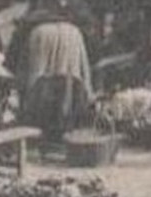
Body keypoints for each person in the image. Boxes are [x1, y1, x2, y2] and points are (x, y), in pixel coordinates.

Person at [8, 14, 94, 143]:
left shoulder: (36, 33)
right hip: (68, 84)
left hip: (42, 87)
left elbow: (25, 73)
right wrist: (89, 93)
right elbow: (84, 71)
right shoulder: (75, 32)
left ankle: (44, 141)